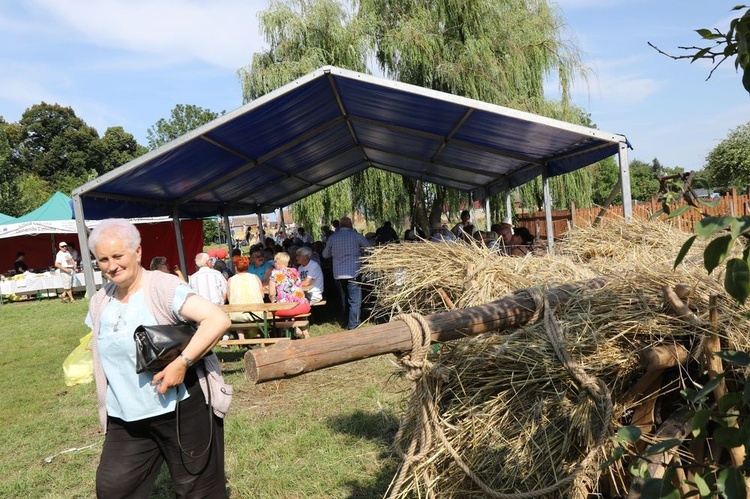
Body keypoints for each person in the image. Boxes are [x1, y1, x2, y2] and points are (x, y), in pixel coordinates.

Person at [85, 218, 231, 498]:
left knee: (198, 490)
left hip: (180, 409)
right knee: (114, 489)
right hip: (126, 418)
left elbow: (217, 319)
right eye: (103, 259)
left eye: (118, 256)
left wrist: (181, 363)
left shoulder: (162, 287)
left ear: (137, 252)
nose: (111, 265)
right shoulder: (100, 300)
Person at [322, 216, 371, 330]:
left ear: (340, 225)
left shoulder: (333, 238)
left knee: (343, 298)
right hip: (353, 272)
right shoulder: (356, 236)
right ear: (351, 225)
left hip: (338, 273)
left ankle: (345, 321)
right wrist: (360, 252)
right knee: (354, 300)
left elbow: (325, 255)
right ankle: (353, 324)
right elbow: (370, 248)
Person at [268, 251, 311, 338]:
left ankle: (285, 331)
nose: (274, 264)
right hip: (304, 306)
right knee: (294, 308)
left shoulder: (275, 273)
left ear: (278, 262)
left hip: (287, 308)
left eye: (275, 262)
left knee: (269, 312)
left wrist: (273, 300)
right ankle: (305, 333)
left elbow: (272, 293)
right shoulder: (294, 271)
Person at [225, 256, 265, 340]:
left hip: (237, 315)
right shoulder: (255, 277)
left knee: (235, 310)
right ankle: (261, 335)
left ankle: (241, 337)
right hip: (257, 314)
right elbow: (262, 295)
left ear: (235, 267)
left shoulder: (231, 280)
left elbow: (229, 298)